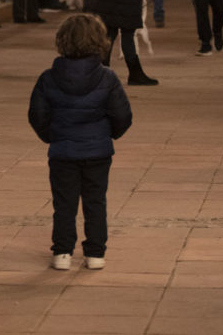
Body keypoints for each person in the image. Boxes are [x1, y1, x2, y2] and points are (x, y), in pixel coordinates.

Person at [27, 14, 133, 271]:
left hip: (63, 151)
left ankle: (62, 252)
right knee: (95, 201)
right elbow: (122, 115)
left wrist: (51, 136)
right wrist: (108, 135)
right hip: (97, 151)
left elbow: (37, 115)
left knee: (64, 203)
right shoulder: (107, 78)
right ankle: (95, 253)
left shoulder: (49, 78)